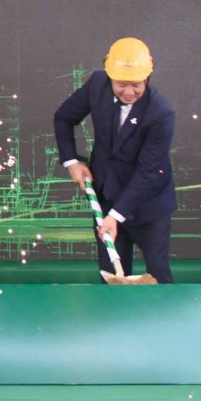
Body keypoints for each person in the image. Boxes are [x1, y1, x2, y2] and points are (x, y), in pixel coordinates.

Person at [53, 37, 177, 283]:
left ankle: (162, 308)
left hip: (148, 204)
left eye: (136, 85)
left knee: (158, 274)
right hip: (106, 195)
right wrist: (71, 162)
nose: (129, 92)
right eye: (121, 84)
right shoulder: (97, 84)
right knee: (111, 277)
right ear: (109, 75)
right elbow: (64, 117)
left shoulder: (161, 113)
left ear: (147, 76)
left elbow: (148, 172)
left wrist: (115, 216)